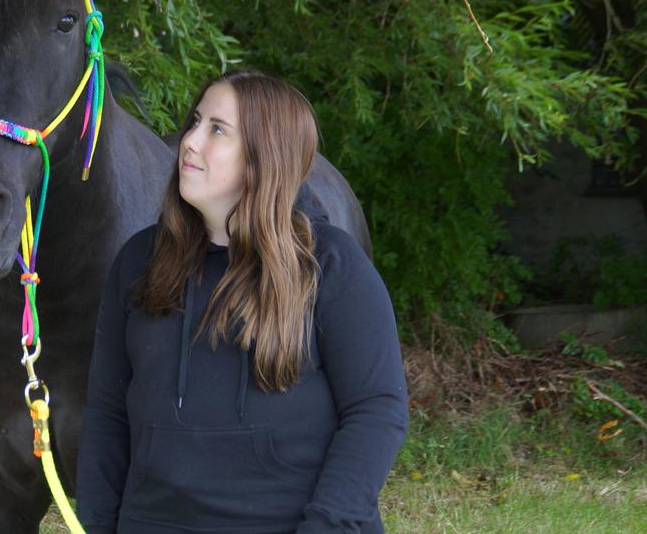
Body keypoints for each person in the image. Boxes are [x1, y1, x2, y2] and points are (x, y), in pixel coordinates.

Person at [76, 70, 408, 534]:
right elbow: (106, 415)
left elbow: (377, 410)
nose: (189, 141)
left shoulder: (329, 264)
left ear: (263, 158)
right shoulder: (138, 262)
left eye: (216, 130)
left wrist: (327, 526)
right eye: (195, 122)